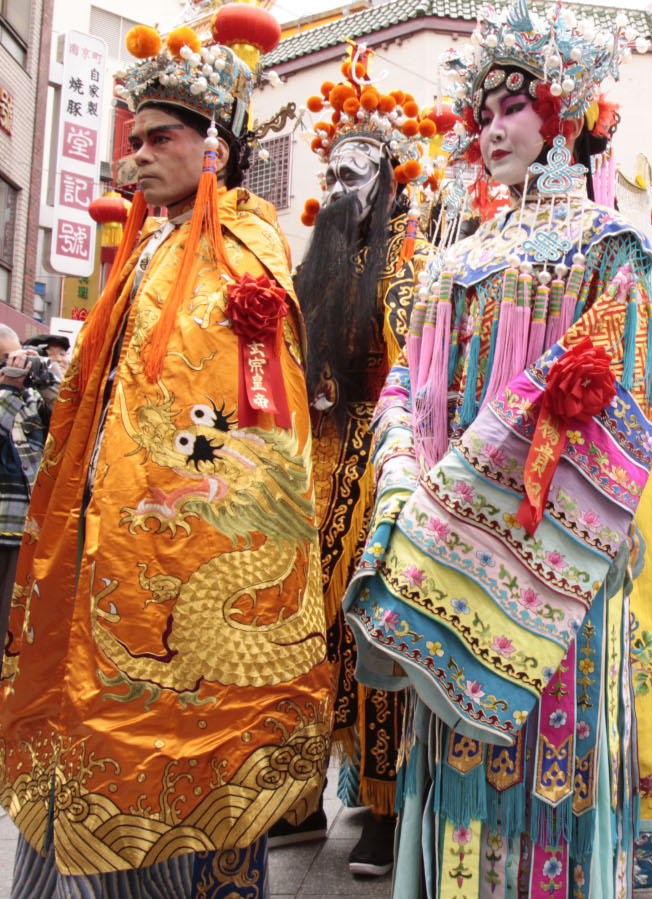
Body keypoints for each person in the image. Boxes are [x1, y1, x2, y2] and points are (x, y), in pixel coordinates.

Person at [341, 6, 652, 893]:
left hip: (555, 552)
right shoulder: (452, 261)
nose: (491, 128)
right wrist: (405, 475)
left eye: (512, 107)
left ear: (560, 112)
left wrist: (459, 499)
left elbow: (616, 400)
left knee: (550, 765)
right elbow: (408, 378)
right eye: (480, 112)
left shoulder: (610, 252)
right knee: (449, 758)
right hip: (440, 542)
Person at [0, 14, 331, 896]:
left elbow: (247, 424)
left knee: (182, 750)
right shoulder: (146, 246)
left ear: (215, 145)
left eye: (160, 138)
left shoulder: (246, 250)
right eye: (132, 139)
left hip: (184, 550)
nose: (136, 157)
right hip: (93, 537)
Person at [267, 48, 438, 873]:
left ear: (390, 179)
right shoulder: (315, 257)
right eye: (332, 170)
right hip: (313, 463)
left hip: (379, 454)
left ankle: (381, 800)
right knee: (296, 624)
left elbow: (412, 363)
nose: (341, 183)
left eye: (358, 170)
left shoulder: (408, 258)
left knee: (370, 624)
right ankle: (298, 791)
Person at [0, 327, 45, 626]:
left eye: (21, 355)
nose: (17, 362)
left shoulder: (29, 397)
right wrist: (9, 389)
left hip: (22, 527)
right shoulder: (11, 394)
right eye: (8, 357)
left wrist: (48, 380)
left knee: (10, 622)